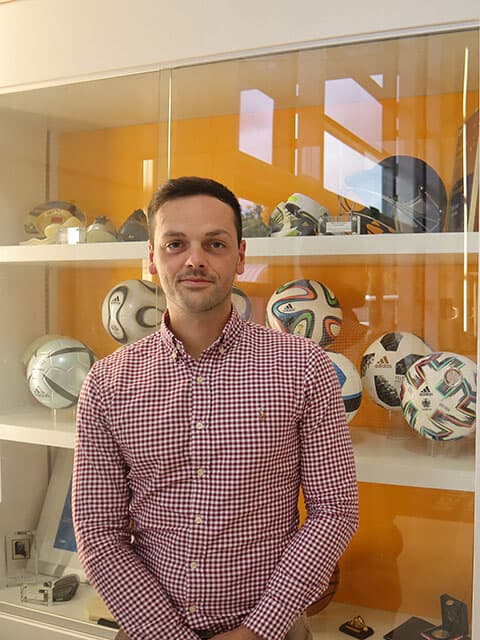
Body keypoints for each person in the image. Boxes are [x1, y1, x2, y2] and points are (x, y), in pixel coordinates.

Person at [72, 176, 359, 640]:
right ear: (150, 257)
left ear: (241, 257)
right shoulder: (107, 383)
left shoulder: (304, 367)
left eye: (215, 243)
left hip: (271, 632)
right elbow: (98, 529)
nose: (195, 259)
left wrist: (257, 631)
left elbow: (335, 509)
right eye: (175, 243)